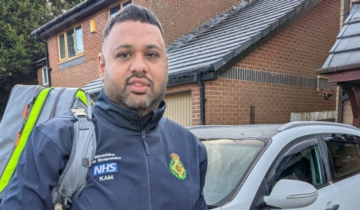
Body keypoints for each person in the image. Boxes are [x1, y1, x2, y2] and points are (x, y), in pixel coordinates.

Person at [0, 5, 208, 210]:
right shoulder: (55, 142)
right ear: (102, 67)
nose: (139, 66)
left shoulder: (190, 147)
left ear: (166, 65)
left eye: (152, 55)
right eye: (124, 54)